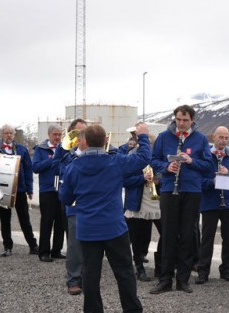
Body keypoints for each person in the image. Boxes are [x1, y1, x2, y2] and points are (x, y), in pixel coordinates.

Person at [61, 123, 150, 313]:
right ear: (105, 142)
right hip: (114, 228)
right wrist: (143, 136)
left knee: (91, 276)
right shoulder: (116, 162)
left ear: (83, 141)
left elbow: (66, 198)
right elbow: (143, 158)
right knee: (124, 273)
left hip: (87, 230)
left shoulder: (73, 167)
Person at [149, 105, 214, 294]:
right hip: (170, 189)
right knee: (168, 234)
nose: (182, 123)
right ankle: (165, 279)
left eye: (185, 120)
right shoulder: (163, 137)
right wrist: (166, 167)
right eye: (178, 119)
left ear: (192, 120)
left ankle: (183, 280)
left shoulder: (200, 139)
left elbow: (209, 165)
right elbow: (153, 161)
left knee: (187, 235)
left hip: (192, 190)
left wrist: (191, 161)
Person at [195, 126, 229, 284]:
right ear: (213, 138)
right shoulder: (204, 155)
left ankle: (226, 270)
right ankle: (203, 272)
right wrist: (213, 182)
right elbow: (198, 180)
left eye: (226, 137)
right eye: (220, 137)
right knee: (207, 238)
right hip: (210, 201)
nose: (223, 140)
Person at [0, 124, 39, 257]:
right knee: (5, 220)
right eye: (6, 133)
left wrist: (29, 189)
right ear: (1, 134)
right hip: (3, 190)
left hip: (20, 190)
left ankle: (33, 246)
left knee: (25, 219)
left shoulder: (22, 149)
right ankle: (7, 247)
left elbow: (28, 170)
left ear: (14, 135)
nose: (9, 135)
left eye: (11, 133)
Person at [55, 118, 88, 295]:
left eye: (85, 132)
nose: (82, 136)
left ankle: (88, 276)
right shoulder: (67, 155)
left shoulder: (97, 152)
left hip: (92, 203)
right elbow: (60, 170)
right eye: (78, 133)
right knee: (75, 243)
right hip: (75, 204)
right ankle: (74, 279)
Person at [124, 133, 162, 282]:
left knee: (165, 233)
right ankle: (139, 268)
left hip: (155, 201)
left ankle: (160, 266)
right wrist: (142, 178)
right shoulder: (132, 158)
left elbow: (165, 176)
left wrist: (159, 180)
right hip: (137, 203)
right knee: (138, 237)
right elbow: (125, 181)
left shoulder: (157, 159)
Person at [32, 125, 66, 262]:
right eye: (55, 134)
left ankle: (56, 250)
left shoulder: (65, 148)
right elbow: (35, 167)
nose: (57, 137)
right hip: (47, 190)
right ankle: (44, 252)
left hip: (62, 188)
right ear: (49, 134)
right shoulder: (40, 149)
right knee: (47, 221)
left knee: (61, 221)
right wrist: (52, 159)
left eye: (59, 134)